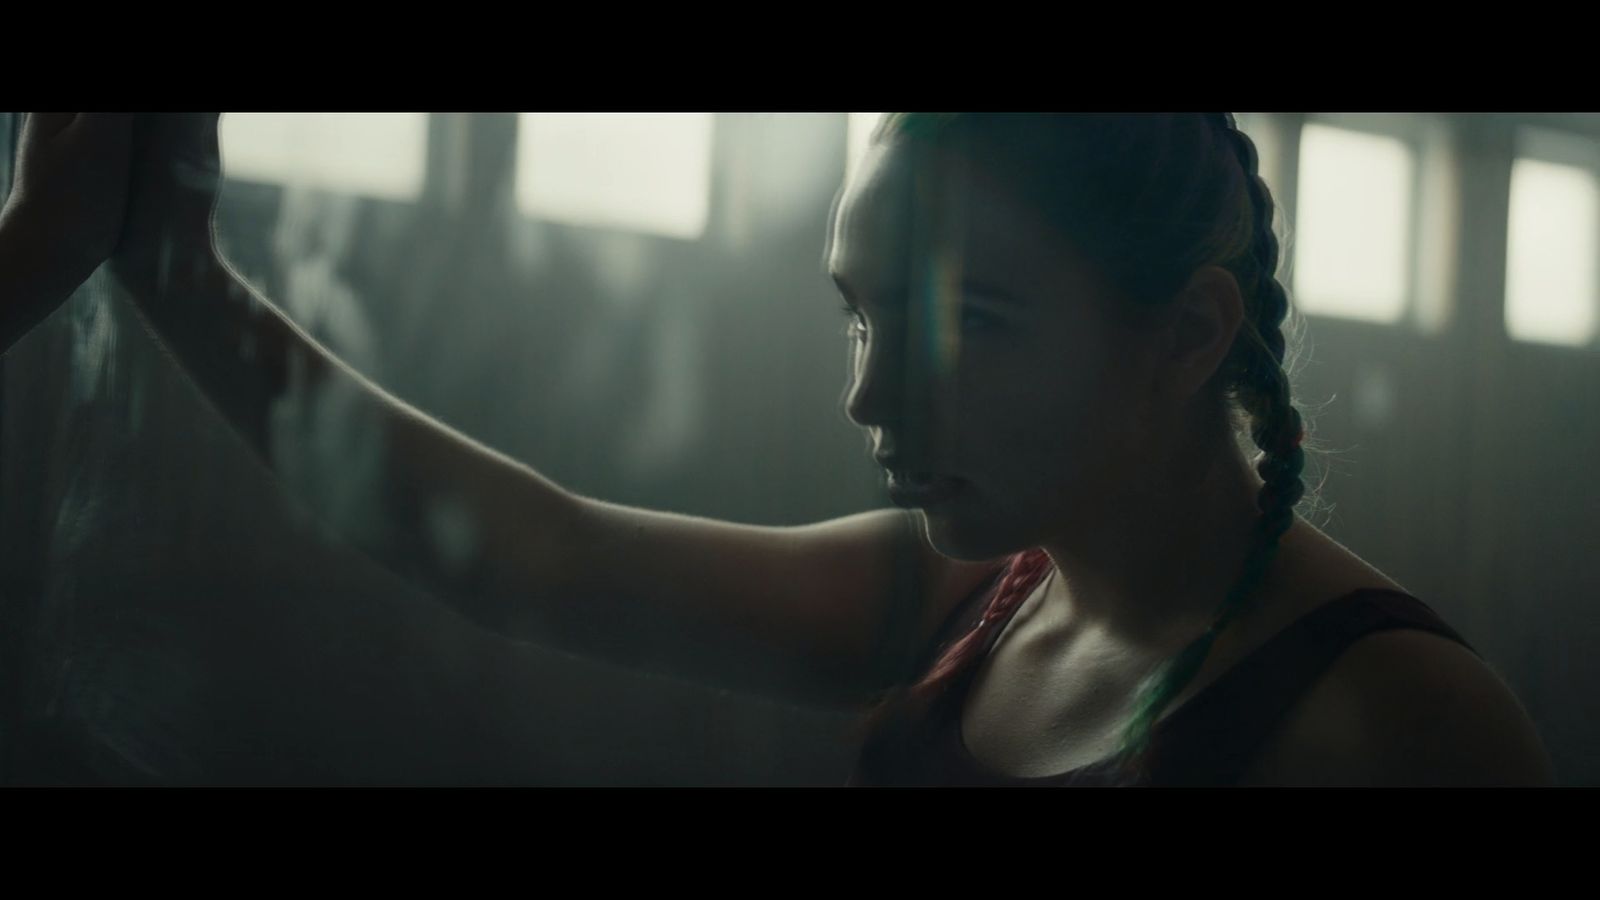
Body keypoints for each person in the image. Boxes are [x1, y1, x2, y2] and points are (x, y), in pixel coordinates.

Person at [0, 112, 1556, 786]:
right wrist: (169, 264)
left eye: (965, 323)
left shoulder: (1394, 722)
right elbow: (532, 556)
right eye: (857, 319)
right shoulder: (982, 596)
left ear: (1189, 332)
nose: (874, 403)